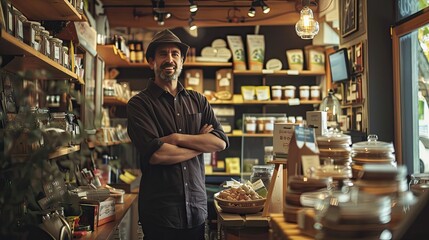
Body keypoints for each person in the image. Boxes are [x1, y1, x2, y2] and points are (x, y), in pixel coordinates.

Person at [127, 29, 229, 240]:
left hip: (196, 211)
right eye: (163, 54)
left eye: (175, 54)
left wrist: (175, 139)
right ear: (151, 61)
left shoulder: (198, 100)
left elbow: (220, 142)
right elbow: (157, 154)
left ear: (182, 61)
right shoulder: (140, 104)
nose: (170, 59)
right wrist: (199, 144)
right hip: (160, 213)